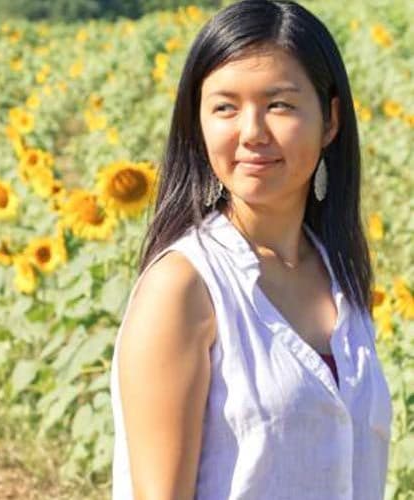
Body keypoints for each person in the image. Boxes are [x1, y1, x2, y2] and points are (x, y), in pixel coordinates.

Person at [110, 1, 392, 498]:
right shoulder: (184, 287)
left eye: (279, 104)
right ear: (197, 122)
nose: (252, 133)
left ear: (330, 120)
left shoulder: (338, 272)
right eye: (225, 107)